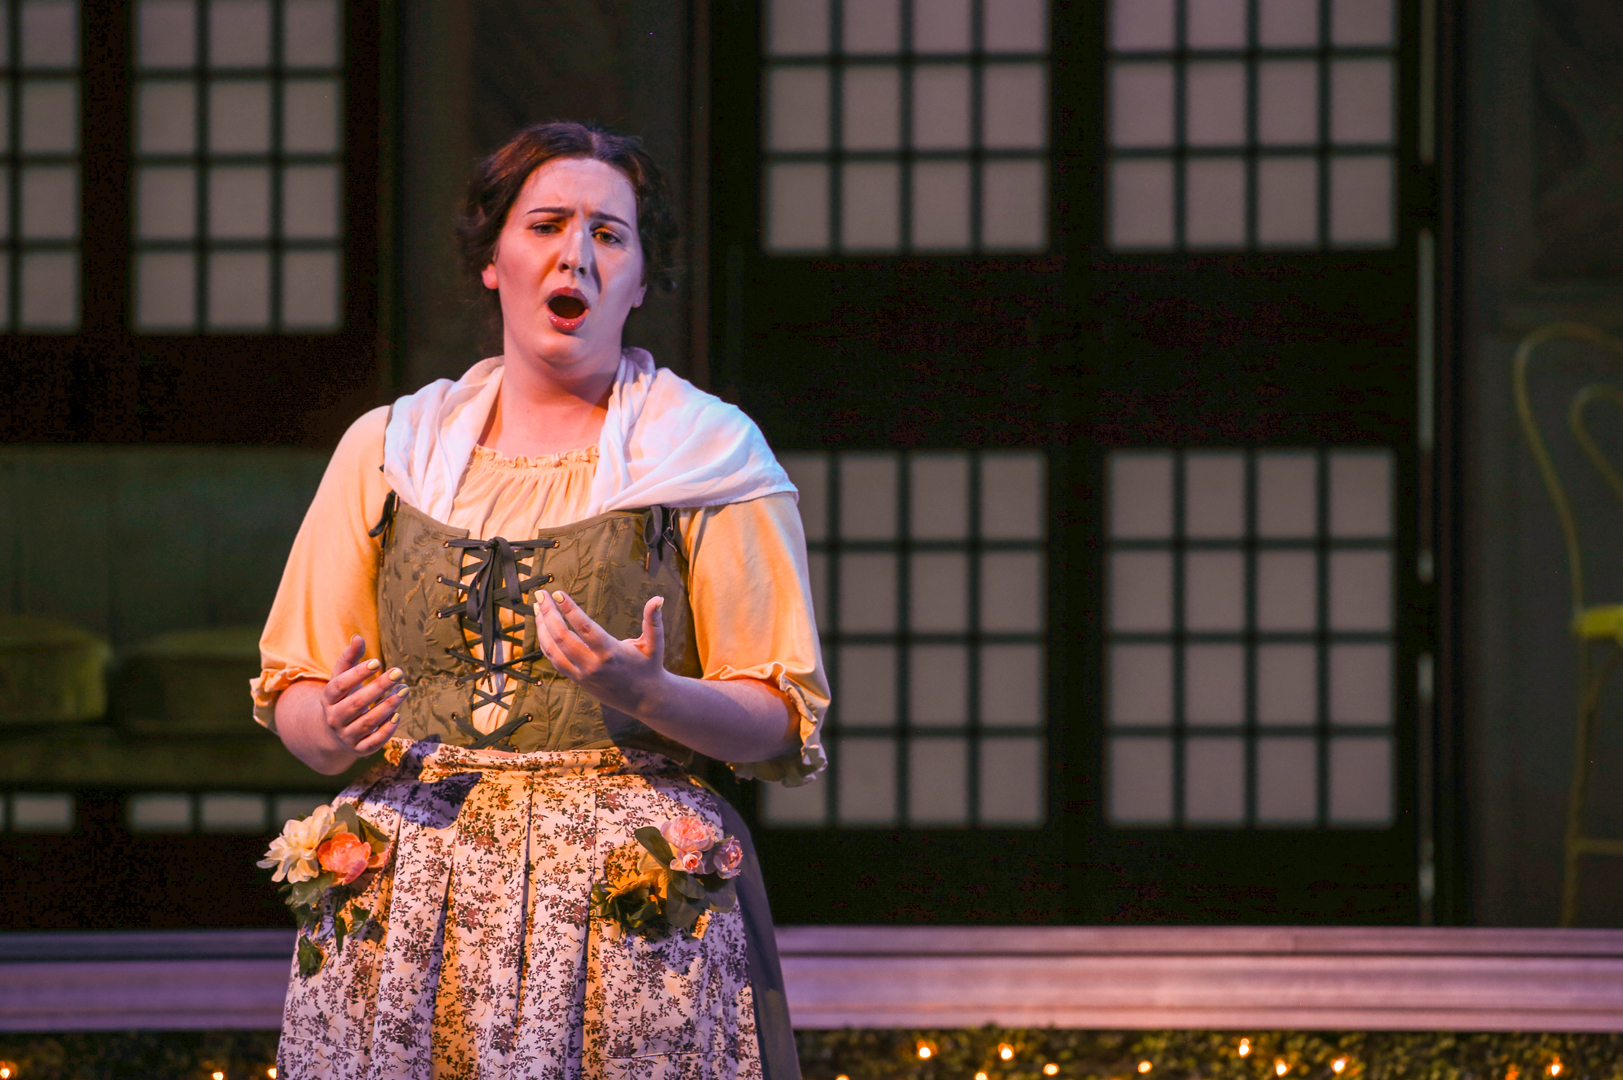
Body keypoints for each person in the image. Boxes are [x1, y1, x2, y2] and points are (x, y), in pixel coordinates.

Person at [252, 121, 828, 1079]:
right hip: (409, 910)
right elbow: (299, 696)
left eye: (610, 233)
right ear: (494, 261)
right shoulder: (390, 452)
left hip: (629, 910)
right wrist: (330, 724)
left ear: (641, 278)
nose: (576, 254)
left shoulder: (708, 454)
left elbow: (779, 721)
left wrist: (651, 695)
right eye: (548, 224)